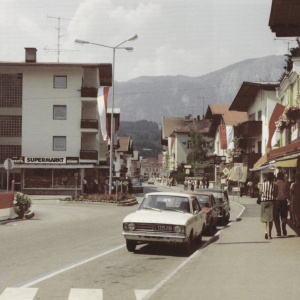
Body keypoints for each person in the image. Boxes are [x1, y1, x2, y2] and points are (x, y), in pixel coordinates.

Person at [259, 172, 278, 239]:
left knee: (264, 217)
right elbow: (276, 195)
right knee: (270, 218)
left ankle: (265, 232)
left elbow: (260, 193)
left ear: (266, 177)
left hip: (264, 202)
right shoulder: (275, 186)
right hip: (272, 202)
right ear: (273, 178)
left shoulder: (263, 185)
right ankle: (270, 234)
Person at [274, 172, 290, 236]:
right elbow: (288, 193)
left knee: (276, 217)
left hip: (276, 201)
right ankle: (284, 227)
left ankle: (278, 231)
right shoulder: (285, 184)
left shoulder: (274, 184)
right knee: (284, 215)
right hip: (284, 201)